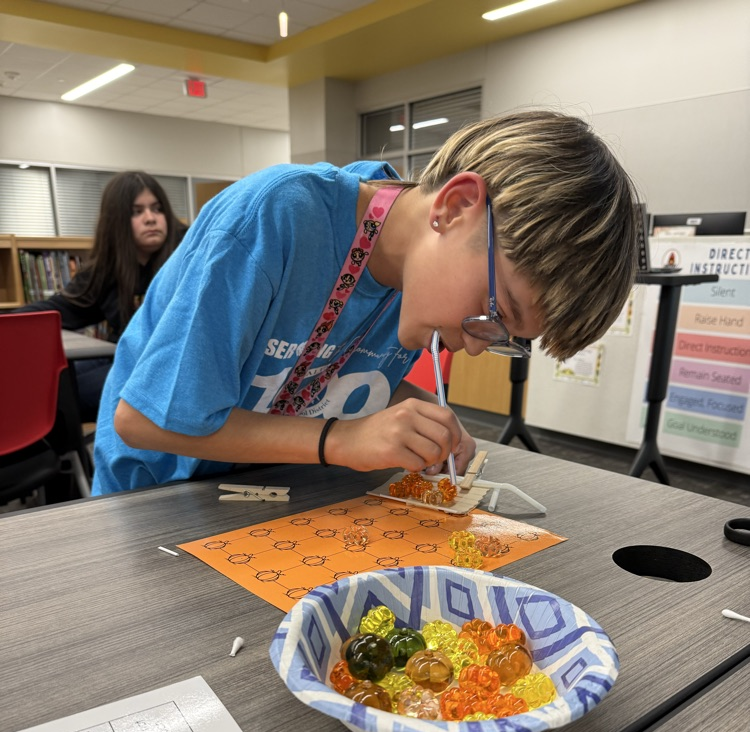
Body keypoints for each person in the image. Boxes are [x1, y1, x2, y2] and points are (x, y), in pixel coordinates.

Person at [92, 110, 638, 496]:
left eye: (504, 339)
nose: (476, 345)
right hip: (156, 495)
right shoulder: (278, 216)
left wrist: (409, 410)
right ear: (455, 207)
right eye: (496, 312)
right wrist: (343, 440)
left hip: (265, 485)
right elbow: (145, 420)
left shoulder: (417, 277)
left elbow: (310, 372)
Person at [16, 171, 183, 421]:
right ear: (117, 221)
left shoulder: (189, 253)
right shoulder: (108, 270)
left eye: (157, 209)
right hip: (123, 357)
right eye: (137, 212)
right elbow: (60, 308)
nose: (150, 218)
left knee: (61, 398)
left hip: (169, 366)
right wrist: (10, 321)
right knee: (46, 382)